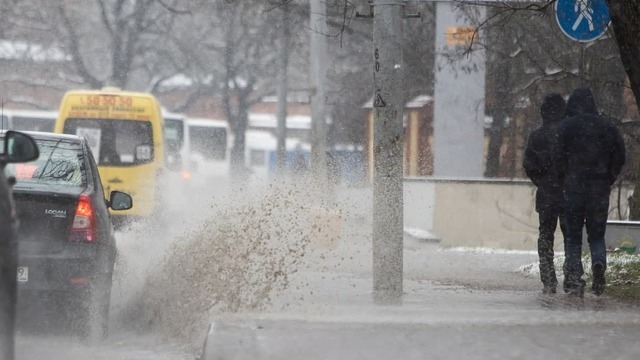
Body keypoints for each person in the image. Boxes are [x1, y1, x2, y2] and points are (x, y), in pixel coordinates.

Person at [555, 88, 626, 297]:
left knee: (573, 237)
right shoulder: (607, 127)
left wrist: (564, 178)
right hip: (599, 189)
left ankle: (575, 279)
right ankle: (598, 263)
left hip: (574, 188)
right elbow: (620, 156)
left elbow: (557, 157)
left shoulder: (566, 127)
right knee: (596, 235)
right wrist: (608, 177)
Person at [523, 93, 567, 294]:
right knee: (571, 235)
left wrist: (542, 182)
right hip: (568, 193)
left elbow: (529, 165)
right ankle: (573, 274)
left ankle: (548, 277)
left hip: (547, 193)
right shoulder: (570, 135)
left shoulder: (536, 136)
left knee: (546, 235)